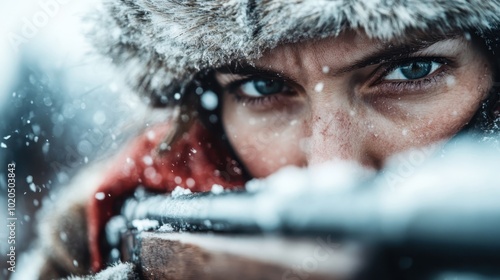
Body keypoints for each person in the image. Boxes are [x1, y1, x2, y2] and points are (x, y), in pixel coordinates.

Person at [17, 0, 500, 279]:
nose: (332, 166)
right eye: (263, 87)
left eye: (411, 70)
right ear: (208, 111)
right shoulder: (109, 224)